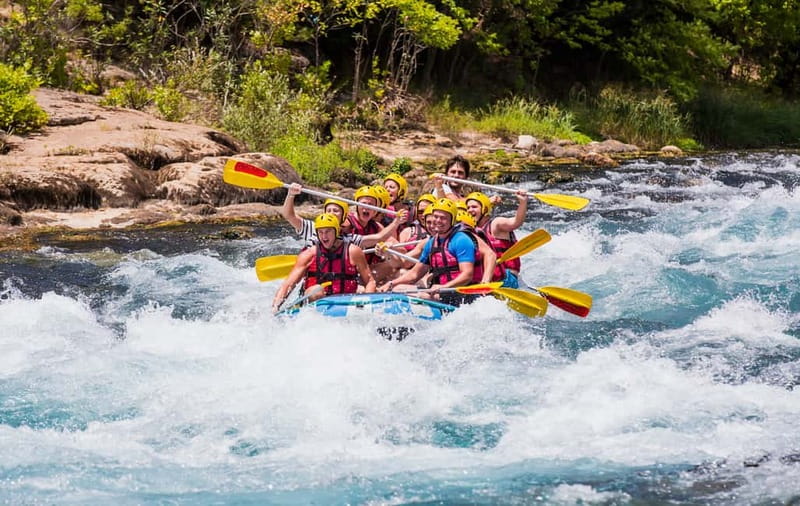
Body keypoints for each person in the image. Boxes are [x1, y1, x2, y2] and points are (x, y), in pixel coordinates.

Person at [378, 198, 480, 306]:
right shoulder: (431, 243)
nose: (438, 221)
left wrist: (444, 287)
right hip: (440, 292)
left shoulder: (461, 240)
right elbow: (414, 274)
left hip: (460, 294)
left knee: (424, 295)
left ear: (452, 220)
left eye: (443, 218)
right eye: (436, 217)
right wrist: (391, 283)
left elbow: (467, 275)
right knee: (398, 288)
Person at [271, 213, 376, 313]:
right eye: (320, 232)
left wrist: (368, 302)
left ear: (337, 231)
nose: (324, 236)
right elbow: (288, 284)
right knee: (317, 290)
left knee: (361, 291)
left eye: (328, 231)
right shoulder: (309, 254)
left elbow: (370, 281)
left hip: (345, 301)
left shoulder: (353, 251)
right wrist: (276, 306)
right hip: (316, 301)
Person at [280, 183, 405, 248]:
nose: (332, 214)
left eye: (336, 211)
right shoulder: (313, 228)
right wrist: (291, 195)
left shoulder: (348, 239)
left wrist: (396, 222)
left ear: (344, 215)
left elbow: (378, 237)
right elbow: (289, 216)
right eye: (329, 210)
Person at [465, 190, 528, 288]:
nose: (469, 210)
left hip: (507, 278)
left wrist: (523, 202)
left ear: (485, 209)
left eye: (474, 207)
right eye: (468, 208)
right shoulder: (472, 230)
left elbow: (516, 222)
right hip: (489, 278)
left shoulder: (496, 224)